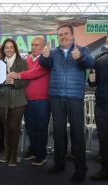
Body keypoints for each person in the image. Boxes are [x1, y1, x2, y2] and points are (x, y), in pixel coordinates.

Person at [40, 24, 94, 182]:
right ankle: (59, 163)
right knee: (58, 132)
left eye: (65, 34)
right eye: (60, 35)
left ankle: (81, 169)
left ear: (72, 35)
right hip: (56, 97)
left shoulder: (82, 50)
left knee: (77, 133)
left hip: (75, 97)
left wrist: (80, 58)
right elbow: (45, 65)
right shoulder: (53, 52)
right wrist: (44, 57)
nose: (63, 37)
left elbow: (90, 63)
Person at [8, 37, 50, 166]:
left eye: (37, 45)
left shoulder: (46, 60)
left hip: (43, 101)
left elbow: (36, 72)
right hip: (28, 100)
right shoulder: (27, 59)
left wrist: (19, 75)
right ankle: (33, 150)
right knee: (31, 127)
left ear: (43, 46)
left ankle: (41, 155)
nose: (34, 47)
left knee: (41, 128)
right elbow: (25, 73)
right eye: (32, 45)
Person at [0, 38, 28, 166]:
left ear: (15, 48)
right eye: (6, 47)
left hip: (18, 100)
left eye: (11, 47)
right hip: (2, 99)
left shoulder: (22, 62)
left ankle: (14, 156)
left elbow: (26, 80)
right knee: (6, 128)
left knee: (14, 128)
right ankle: (7, 154)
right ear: (3, 50)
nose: (9, 49)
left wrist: (15, 82)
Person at [88, 49, 108, 181]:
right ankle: (105, 170)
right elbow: (92, 83)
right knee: (104, 140)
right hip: (102, 106)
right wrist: (91, 80)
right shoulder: (100, 59)